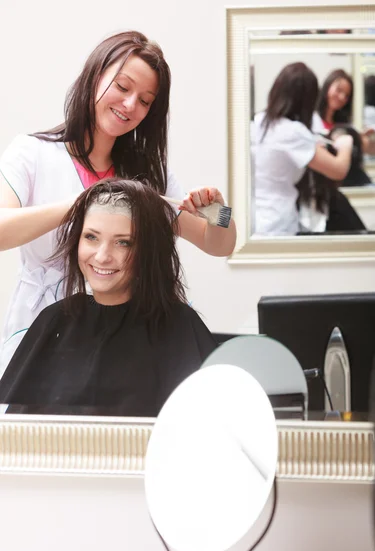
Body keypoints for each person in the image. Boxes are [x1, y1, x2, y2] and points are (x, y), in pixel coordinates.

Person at [0, 30, 236, 377]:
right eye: (123, 88)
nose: (130, 106)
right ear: (95, 77)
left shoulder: (148, 174)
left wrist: (219, 209)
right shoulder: (32, 154)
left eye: (145, 100)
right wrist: (82, 203)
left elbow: (218, 244)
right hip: (44, 334)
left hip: (128, 338)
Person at [0, 179, 217, 416]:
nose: (102, 257)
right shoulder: (54, 320)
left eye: (123, 242)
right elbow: (17, 436)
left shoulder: (179, 325)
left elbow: (210, 426)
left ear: (147, 251)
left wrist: (218, 210)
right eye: (91, 237)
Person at [251, 62, 353, 236]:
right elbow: (338, 170)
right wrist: (346, 142)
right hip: (278, 223)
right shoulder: (292, 132)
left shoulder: (258, 122)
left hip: (256, 218)